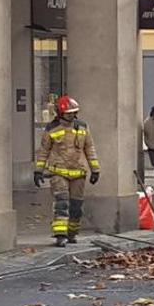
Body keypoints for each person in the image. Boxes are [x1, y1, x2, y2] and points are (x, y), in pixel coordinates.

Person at [34, 95, 100, 247]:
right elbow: (44, 150)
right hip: (59, 173)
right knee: (62, 205)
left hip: (79, 173)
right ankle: (60, 235)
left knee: (76, 207)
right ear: (60, 113)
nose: (72, 115)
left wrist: (95, 169)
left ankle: (72, 233)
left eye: (74, 112)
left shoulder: (82, 127)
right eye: (69, 113)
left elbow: (89, 148)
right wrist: (38, 170)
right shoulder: (52, 129)